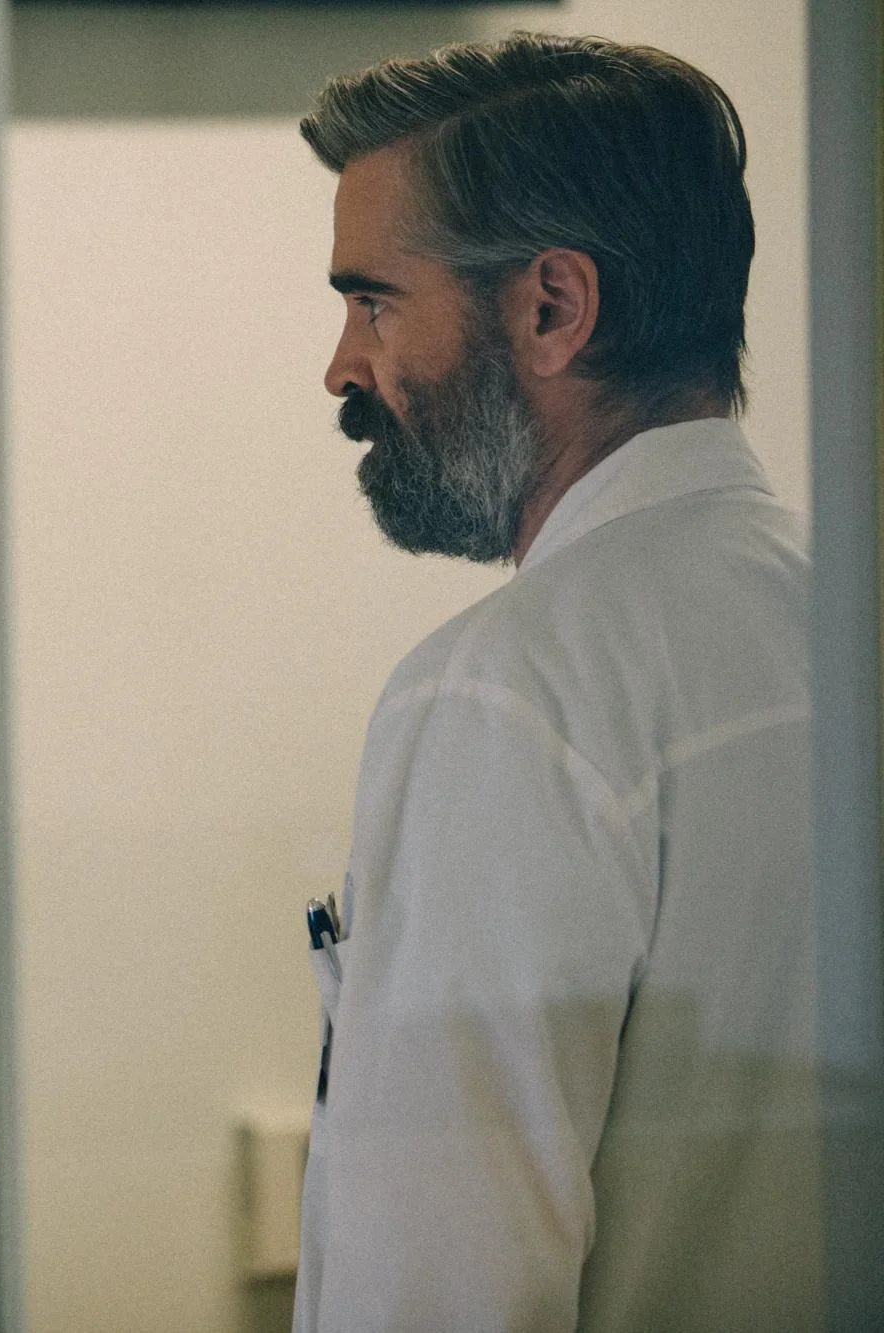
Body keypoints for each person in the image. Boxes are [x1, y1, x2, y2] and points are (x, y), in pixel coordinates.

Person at [294, 33, 818, 1332]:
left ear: (549, 309)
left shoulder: (505, 694)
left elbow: (438, 1289)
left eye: (373, 302)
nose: (342, 367)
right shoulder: (833, 621)